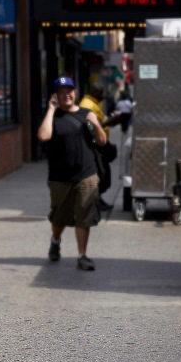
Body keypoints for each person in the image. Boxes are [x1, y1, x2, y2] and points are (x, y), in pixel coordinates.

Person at [38, 75, 107, 271]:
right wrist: (51, 109)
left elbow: (102, 142)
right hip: (60, 177)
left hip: (87, 173)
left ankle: (82, 255)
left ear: (75, 93)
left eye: (69, 91)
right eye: (62, 92)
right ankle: (55, 240)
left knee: (84, 215)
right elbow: (43, 136)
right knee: (59, 217)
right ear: (56, 96)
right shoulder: (54, 116)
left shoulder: (87, 113)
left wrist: (95, 123)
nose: (67, 94)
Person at [78, 82, 119, 210]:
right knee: (100, 173)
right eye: (101, 93)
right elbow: (90, 127)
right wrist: (109, 122)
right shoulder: (88, 105)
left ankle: (96, 200)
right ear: (95, 92)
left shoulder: (92, 103)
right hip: (94, 146)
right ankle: (94, 201)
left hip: (98, 144)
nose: (103, 96)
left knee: (102, 172)